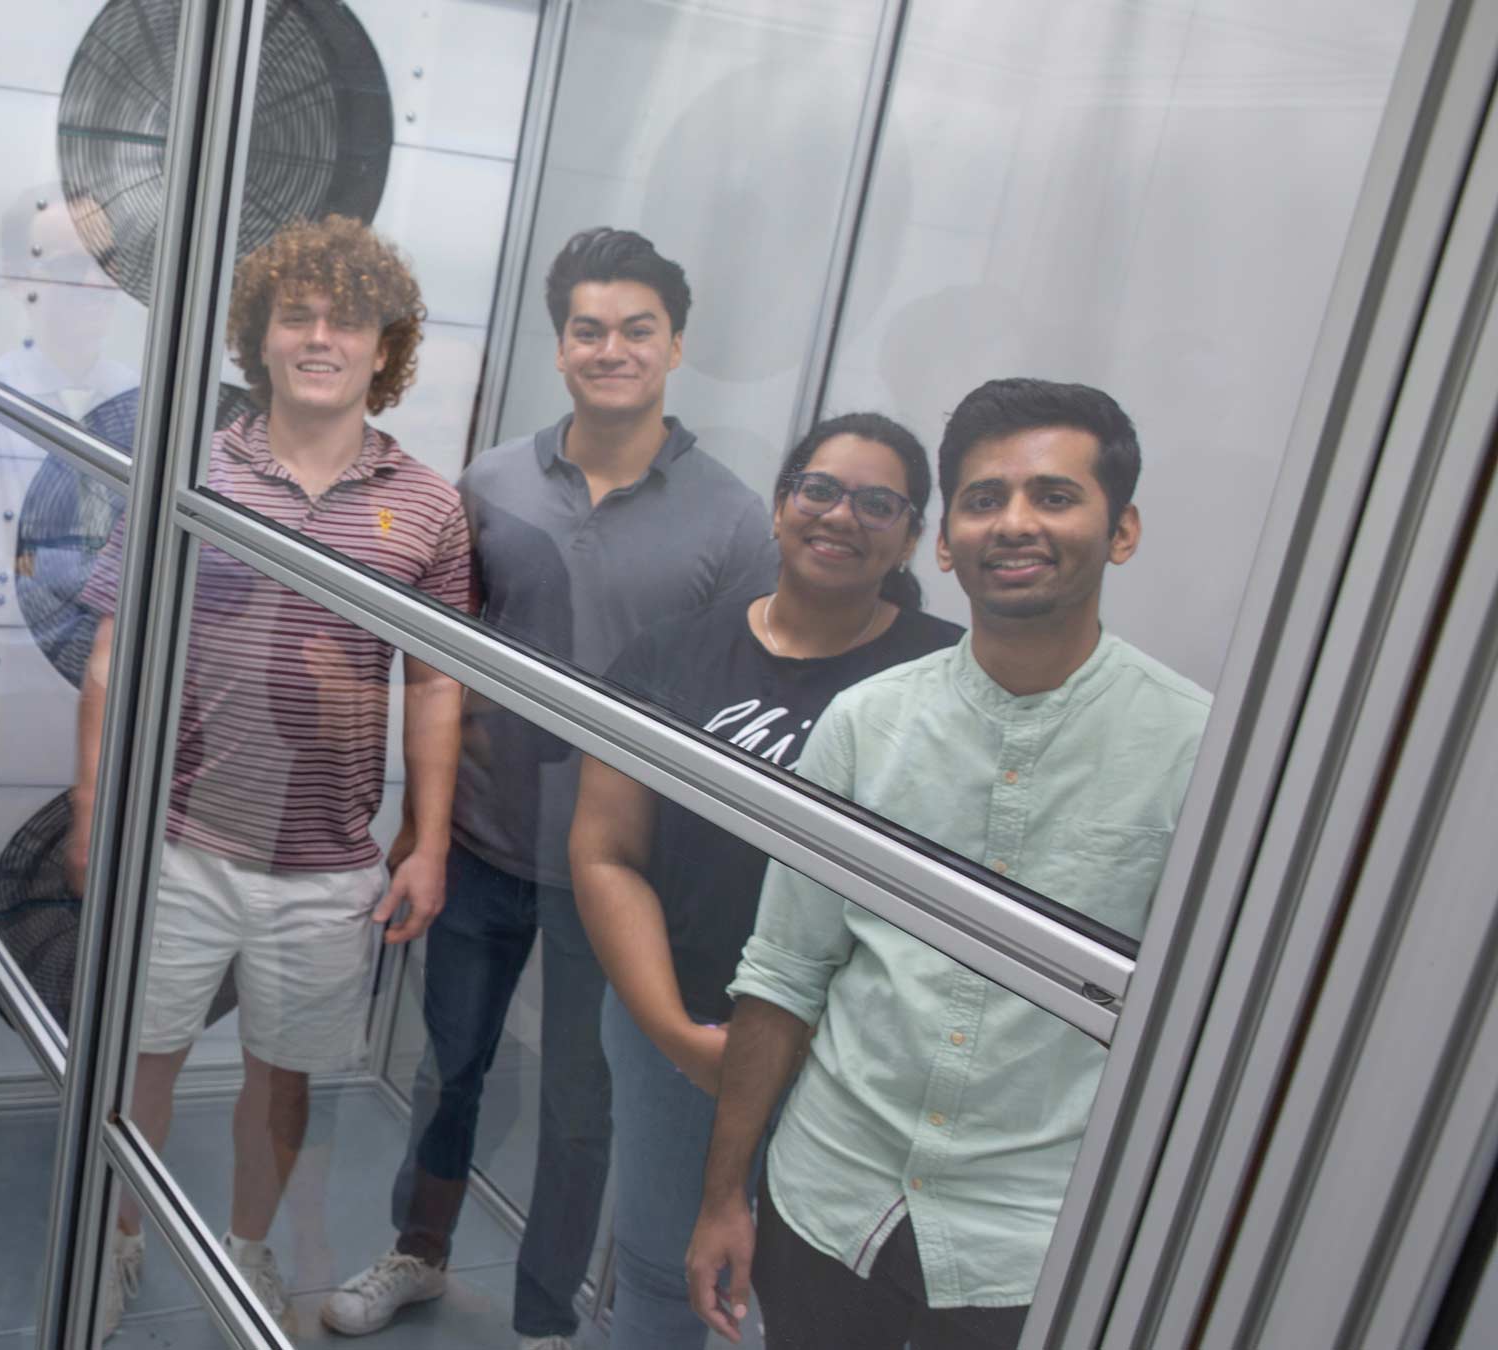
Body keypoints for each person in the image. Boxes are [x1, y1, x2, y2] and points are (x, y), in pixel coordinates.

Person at [321, 227, 778, 1349]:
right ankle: (416, 1254)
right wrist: (421, 825)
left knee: (583, 1108)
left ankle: (542, 1321)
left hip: (620, 875)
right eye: (588, 329)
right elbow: (439, 670)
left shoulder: (732, 517)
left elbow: (744, 702)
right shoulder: (490, 483)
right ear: (559, 343)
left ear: (675, 345)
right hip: (481, 841)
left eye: (636, 329)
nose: (610, 349)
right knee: (450, 1068)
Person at [686, 378, 1212, 1348]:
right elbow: (786, 970)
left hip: (1035, 1236)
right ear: (944, 543)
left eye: (1054, 496)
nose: (1014, 523)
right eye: (983, 499)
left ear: (1123, 530)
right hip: (828, 1197)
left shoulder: (1198, 751)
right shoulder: (867, 724)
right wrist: (725, 1195)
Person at [68, 216, 471, 1338]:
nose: (321, 337)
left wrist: (427, 839)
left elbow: (437, 683)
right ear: (259, 337)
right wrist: (98, 807)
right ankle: (120, 1233)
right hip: (182, 838)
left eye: (348, 319)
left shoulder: (428, 505)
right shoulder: (193, 468)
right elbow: (110, 648)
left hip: (330, 861)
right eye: (296, 315)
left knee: (281, 1076)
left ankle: (242, 1248)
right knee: (141, 1058)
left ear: (385, 348)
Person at [567, 412, 962, 1347]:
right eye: (819, 489)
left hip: (854, 1065)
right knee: (663, 1277)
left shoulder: (948, 675)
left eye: (878, 503)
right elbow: (605, 853)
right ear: (783, 504)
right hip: (681, 1030)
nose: (840, 515)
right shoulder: (671, 652)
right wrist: (676, 1034)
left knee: (823, 1308)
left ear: (912, 537)